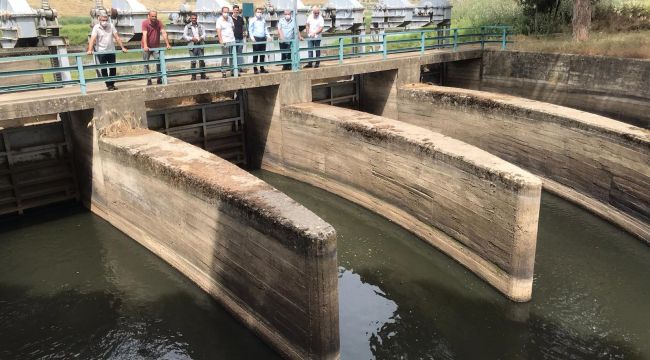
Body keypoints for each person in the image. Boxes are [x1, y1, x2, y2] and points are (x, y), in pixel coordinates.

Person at [87, 15, 127, 91]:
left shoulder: (111, 26)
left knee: (113, 68)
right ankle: (108, 85)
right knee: (104, 69)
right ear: (99, 19)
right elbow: (92, 39)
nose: (104, 22)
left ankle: (112, 84)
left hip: (111, 50)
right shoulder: (96, 27)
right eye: (103, 20)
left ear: (108, 20)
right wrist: (90, 49)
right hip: (101, 51)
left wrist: (122, 47)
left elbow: (117, 37)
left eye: (106, 20)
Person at [141, 10, 171, 85]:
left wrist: (167, 44)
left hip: (156, 46)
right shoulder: (145, 23)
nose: (154, 18)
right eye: (152, 16)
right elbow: (144, 34)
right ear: (149, 16)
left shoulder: (159, 22)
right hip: (146, 46)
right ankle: (148, 79)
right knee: (146, 63)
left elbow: (163, 32)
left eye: (155, 16)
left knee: (158, 62)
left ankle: (159, 78)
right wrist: (145, 45)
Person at [183, 13, 208, 80]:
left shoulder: (201, 26)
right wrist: (191, 38)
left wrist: (201, 37)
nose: (194, 19)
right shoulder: (187, 26)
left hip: (200, 45)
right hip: (192, 45)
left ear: (197, 18)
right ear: (190, 19)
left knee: (202, 61)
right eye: (193, 18)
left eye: (195, 18)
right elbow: (184, 36)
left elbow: (204, 34)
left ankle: (203, 75)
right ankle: (193, 76)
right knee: (193, 61)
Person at [248, 8, 272, 74]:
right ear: (255, 12)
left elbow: (265, 29)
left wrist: (268, 36)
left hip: (263, 38)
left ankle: (262, 68)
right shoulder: (252, 20)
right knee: (255, 54)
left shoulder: (263, 19)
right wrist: (252, 38)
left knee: (262, 54)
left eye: (260, 12)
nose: (259, 13)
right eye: (258, 12)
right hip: (256, 38)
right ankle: (255, 69)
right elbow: (250, 30)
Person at [216, 6, 236, 78]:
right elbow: (218, 31)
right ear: (222, 12)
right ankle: (223, 72)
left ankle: (233, 71)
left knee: (232, 57)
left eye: (227, 12)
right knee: (224, 57)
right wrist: (221, 40)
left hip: (232, 40)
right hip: (224, 41)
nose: (226, 13)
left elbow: (232, 27)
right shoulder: (219, 20)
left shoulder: (230, 18)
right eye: (225, 12)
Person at [231, 5, 245, 72]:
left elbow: (243, 27)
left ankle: (240, 67)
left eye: (237, 10)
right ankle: (234, 68)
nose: (236, 11)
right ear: (233, 10)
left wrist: (244, 33)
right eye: (235, 10)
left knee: (240, 53)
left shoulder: (240, 18)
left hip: (241, 38)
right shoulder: (230, 19)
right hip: (233, 39)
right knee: (234, 53)